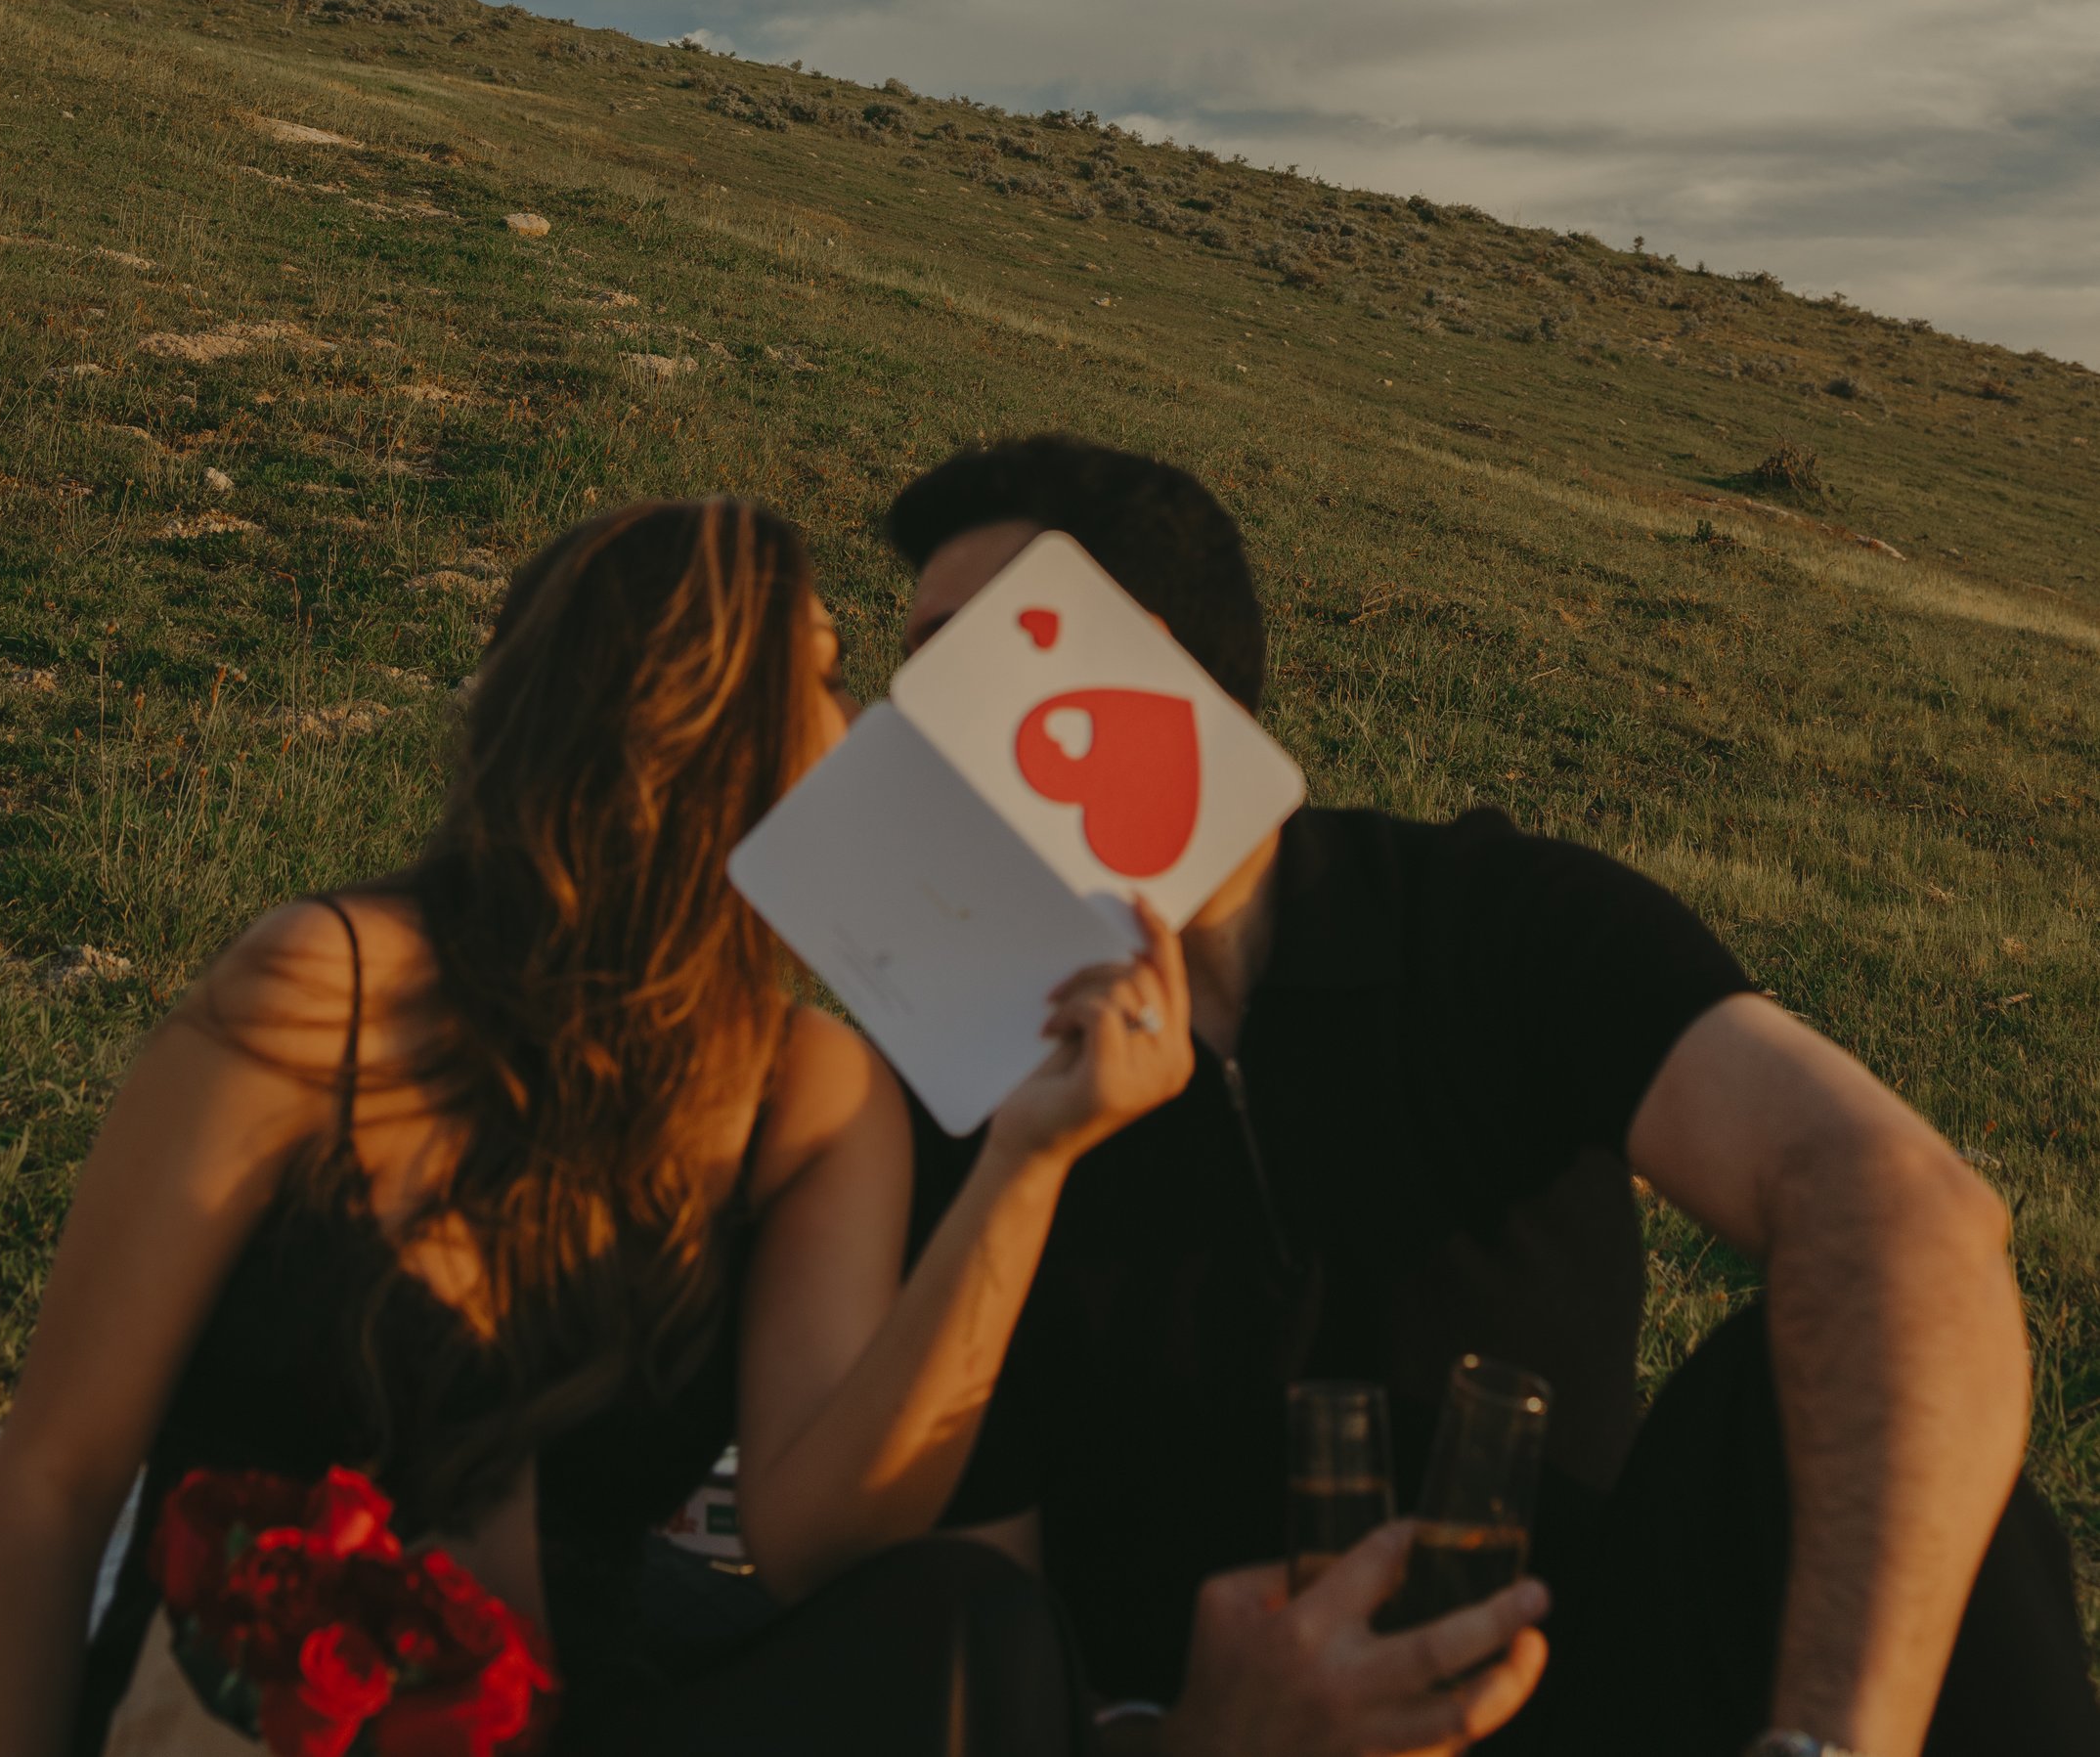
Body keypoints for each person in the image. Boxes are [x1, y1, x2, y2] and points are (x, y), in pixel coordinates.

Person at [885, 435, 2100, 1757]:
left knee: (1826, 1383)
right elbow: (975, 1630)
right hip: (1215, 1726)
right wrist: (1202, 1740)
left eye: (961, 665)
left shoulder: (1486, 922)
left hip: (1582, 1700)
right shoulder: (962, 1086)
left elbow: (1898, 1203)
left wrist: (1825, 1744)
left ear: (1147, 666)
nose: (915, 737)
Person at [0, 496, 1205, 1757]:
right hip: (236, 1720)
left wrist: (1026, 1161)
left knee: (977, 1626)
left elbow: (814, 1539)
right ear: (684, 715)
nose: (859, 725)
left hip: (576, 1717)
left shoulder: (808, 1096)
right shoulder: (328, 994)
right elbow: (55, 1482)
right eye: (823, 677)